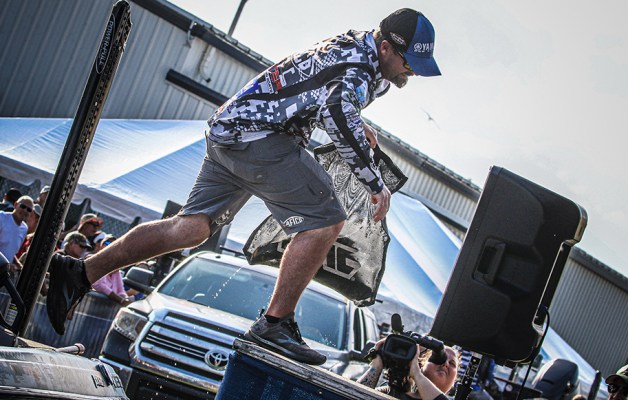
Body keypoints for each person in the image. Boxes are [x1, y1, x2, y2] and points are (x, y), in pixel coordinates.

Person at [45, 8, 442, 365]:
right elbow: (336, 110)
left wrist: (357, 121)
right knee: (325, 220)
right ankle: (274, 323)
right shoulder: (359, 64)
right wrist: (374, 182)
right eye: (409, 63)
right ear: (386, 47)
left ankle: (80, 271)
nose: (412, 73)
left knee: (191, 229)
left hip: (230, 131)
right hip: (260, 136)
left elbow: (324, 93)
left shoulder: (356, 47)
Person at [357, 338, 460, 399]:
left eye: (452, 363)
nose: (445, 364)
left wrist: (417, 374)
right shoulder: (391, 393)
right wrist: (377, 365)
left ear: (454, 381)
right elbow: (354, 395)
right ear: (421, 365)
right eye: (438, 359)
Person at [90, 235, 135, 306]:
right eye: (107, 243)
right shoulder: (94, 260)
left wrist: (126, 299)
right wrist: (119, 299)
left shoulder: (115, 269)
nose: (111, 246)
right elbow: (97, 284)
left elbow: (120, 290)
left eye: (115, 244)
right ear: (101, 246)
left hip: (108, 308)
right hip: (91, 304)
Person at [0, 195, 34, 274]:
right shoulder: (2, 217)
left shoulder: (24, 228)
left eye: (29, 209)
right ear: (15, 205)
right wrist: (5, 264)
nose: (25, 210)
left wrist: (18, 265)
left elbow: (11, 251)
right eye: (23, 206)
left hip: (3, 273)